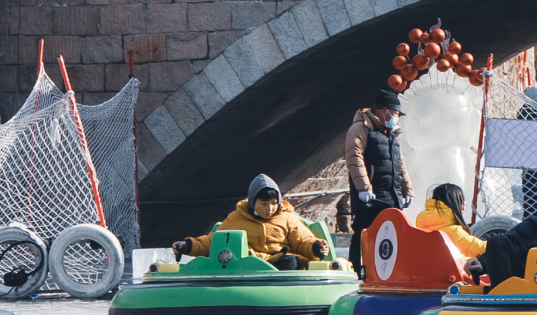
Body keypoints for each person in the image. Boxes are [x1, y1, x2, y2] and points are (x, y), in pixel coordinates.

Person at [171, 174, 329, 270]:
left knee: (292, 262)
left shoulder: (288, 218)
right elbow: (213, 241)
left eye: (274, 203)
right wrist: (188, 245)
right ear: (253, 202)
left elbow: (303, 240)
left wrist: (316, 247)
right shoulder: (236, 218)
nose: (270, 209)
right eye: (264, 204)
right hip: (246, 265)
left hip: (279, 263)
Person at [344, 89, 413, 274]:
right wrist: (364, 188)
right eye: (395, 113)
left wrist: (407, 190)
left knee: (391, 237)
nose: (396, 118)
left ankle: (387, 275)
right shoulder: (360, 129)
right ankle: (356, 272)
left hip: (392, 197)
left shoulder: (391, 133)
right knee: (363, 235)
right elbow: (354, 158)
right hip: (371, 199)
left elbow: (400, 164)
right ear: (384, 110)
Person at [414, 182, 487, 258]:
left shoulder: (422, 226)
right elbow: (479, 248)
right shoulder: (454, 232)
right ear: (456, 203)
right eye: (462, 201)